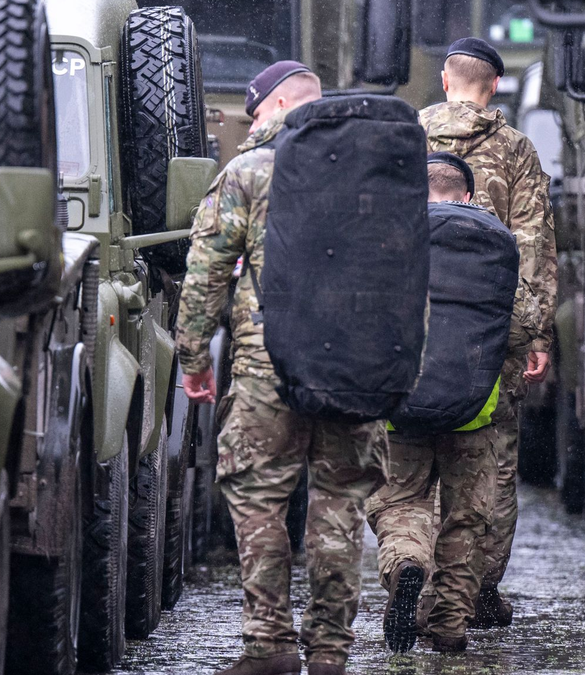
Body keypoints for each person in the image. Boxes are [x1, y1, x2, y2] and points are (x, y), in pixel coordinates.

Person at [176, 61, 383, 675]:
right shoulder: (370, 175)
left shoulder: (247, 171)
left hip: (268, 366)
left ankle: (268, 646)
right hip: (352, 364)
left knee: (260, 498)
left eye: (254, 110)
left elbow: (206, 273)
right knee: (340, 502)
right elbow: (401, 277)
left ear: (271, 105)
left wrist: (193, 358)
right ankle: (329, 653)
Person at [418, 37, 558, 628]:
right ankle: (474, 590)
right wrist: (533, 334)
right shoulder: (517, 150)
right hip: (489, 333)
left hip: (413, 330)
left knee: (411, 455)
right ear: (494, 85)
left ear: (446, 80)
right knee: (493, 464)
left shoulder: (406, 137)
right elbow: (534, 246)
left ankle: (417, 575)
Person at [367, 153, 513, 654]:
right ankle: (448, 625)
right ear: (468, 195)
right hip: (474, 408)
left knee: (398, 501)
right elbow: (520, 321)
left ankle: (406, 562)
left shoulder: (386, 234)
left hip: (396, 404)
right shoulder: (495, 240)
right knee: (466, 517)